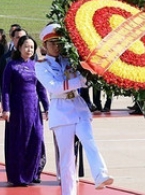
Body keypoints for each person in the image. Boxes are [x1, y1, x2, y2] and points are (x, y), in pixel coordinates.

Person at [35, 24, 114, 194]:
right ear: (45, 45)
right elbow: (55, 87)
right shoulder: (41, 65)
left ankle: (100, 174)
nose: (57, 47)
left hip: (78, 107)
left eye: (59, 43)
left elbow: (86, 73)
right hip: (60, 110)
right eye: (52, 43)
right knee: (67, 159)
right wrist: (79, 81)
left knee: (88, 139)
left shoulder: (70, 58)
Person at [1, 35, 49, 186]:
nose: (29, 50)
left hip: (33, 108)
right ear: (19, 48)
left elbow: (41, 89)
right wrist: (6, 108)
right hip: (17, 109)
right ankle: (18, 176)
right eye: (26, 46)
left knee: (36, 138)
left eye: (32, 47)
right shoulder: (12, 66)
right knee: (19, 141)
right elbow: (5, 89)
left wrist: (47, 107)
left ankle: (32, 173)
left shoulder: (37, 66)